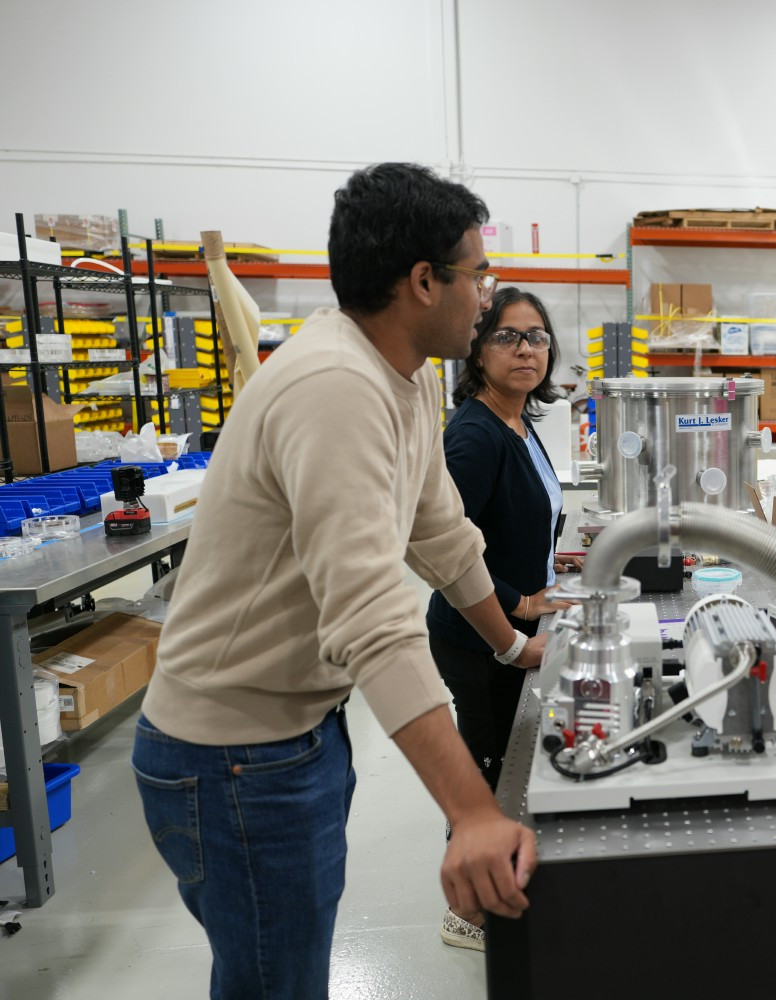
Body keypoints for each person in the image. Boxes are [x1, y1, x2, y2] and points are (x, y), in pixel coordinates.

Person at [132, 163, 546, 1000]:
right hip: (234, 755)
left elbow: (441, 533)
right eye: (478, 277)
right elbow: (371, 617)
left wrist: (512, 647)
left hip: (293, 734)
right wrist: (470, 810)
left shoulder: (406, 377)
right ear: (424, 283)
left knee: (284, 974)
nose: (486, 297)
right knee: (276, 987)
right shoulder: (335, 387)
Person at [427, 287, 579, 950]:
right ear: (477, 350)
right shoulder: (474, 433)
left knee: (508, 770)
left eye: (538, 336)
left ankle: (497, 892)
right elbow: (443, 541)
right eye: (509, 336)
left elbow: (519, 514)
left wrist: (557, 558)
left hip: (515, 623)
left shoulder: (517, 420)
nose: (527, 349)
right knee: (487, 776)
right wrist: (518, 602)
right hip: (476, 633)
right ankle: (466, 916)